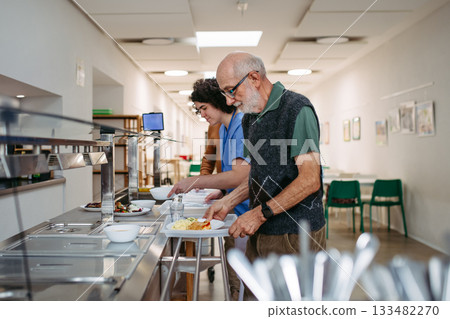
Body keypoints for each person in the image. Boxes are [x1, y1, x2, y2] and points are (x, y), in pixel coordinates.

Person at [204, 52, 326, 282]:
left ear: (254, 78)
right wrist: (228, 201)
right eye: (224, 93)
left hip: (294, 234)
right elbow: (259, 176)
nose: (229, 101)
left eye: (231, 90)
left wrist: (259, 215)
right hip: (262, 231)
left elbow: (310, 180)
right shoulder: (250, 118)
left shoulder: (297, 110)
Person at [167, 78, 250, 300]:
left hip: (248, 211)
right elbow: (232, 169)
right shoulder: (222, 128)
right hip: (234, 209)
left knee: (244, 282)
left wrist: (195, 182)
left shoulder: (241, 124)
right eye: (199, 110)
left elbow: (242, 175)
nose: (202, 114)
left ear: (218, 101)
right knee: (236, 276)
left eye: (204, 108)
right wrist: (222, 192)